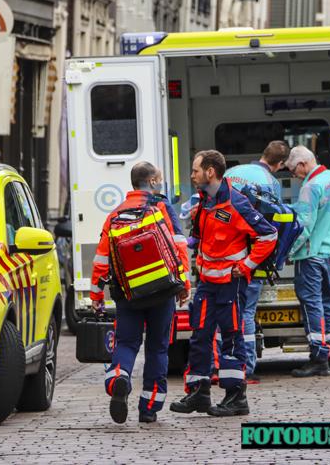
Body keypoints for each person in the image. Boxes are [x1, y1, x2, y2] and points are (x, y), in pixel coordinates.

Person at [170, 150, 277, 416]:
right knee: (200, 335)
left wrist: (246, 266)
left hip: (231, 283)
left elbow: (269, 235)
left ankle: (236, 396)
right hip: (207, 283)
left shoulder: (237, 204)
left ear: (210, 172)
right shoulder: (205, 202)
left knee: (230, 338)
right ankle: (198, 393)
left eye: (195, 170)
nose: (191, 174)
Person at [90, 162, 191, 424]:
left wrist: (96, 296)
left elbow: (101, 259)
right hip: (162, 290)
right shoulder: (160, 207)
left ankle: (119, 378)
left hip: (127, 293)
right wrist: (184, 284)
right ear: (154, 181)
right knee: (158, 348)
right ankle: (149, 408)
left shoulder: (115, 214)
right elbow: (178, 247)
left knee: (126, 343)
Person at [223, 140, 291, 384]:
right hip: (251, 259)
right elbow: (274, 221)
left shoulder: (232, 173)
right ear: (280, 164)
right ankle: (247, 367)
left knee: (228, 313)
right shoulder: (269, 182)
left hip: (225, 256)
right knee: (247, 313)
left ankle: (226, 364)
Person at [285, 145, 330, 377]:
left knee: (312, 305)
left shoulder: (311, 187)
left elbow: (305, 226)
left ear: (302, 164)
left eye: (293, 171)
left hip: (310, 254)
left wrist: (289, 251)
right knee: (328, 302)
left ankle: (318, 357)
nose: (294, 176)